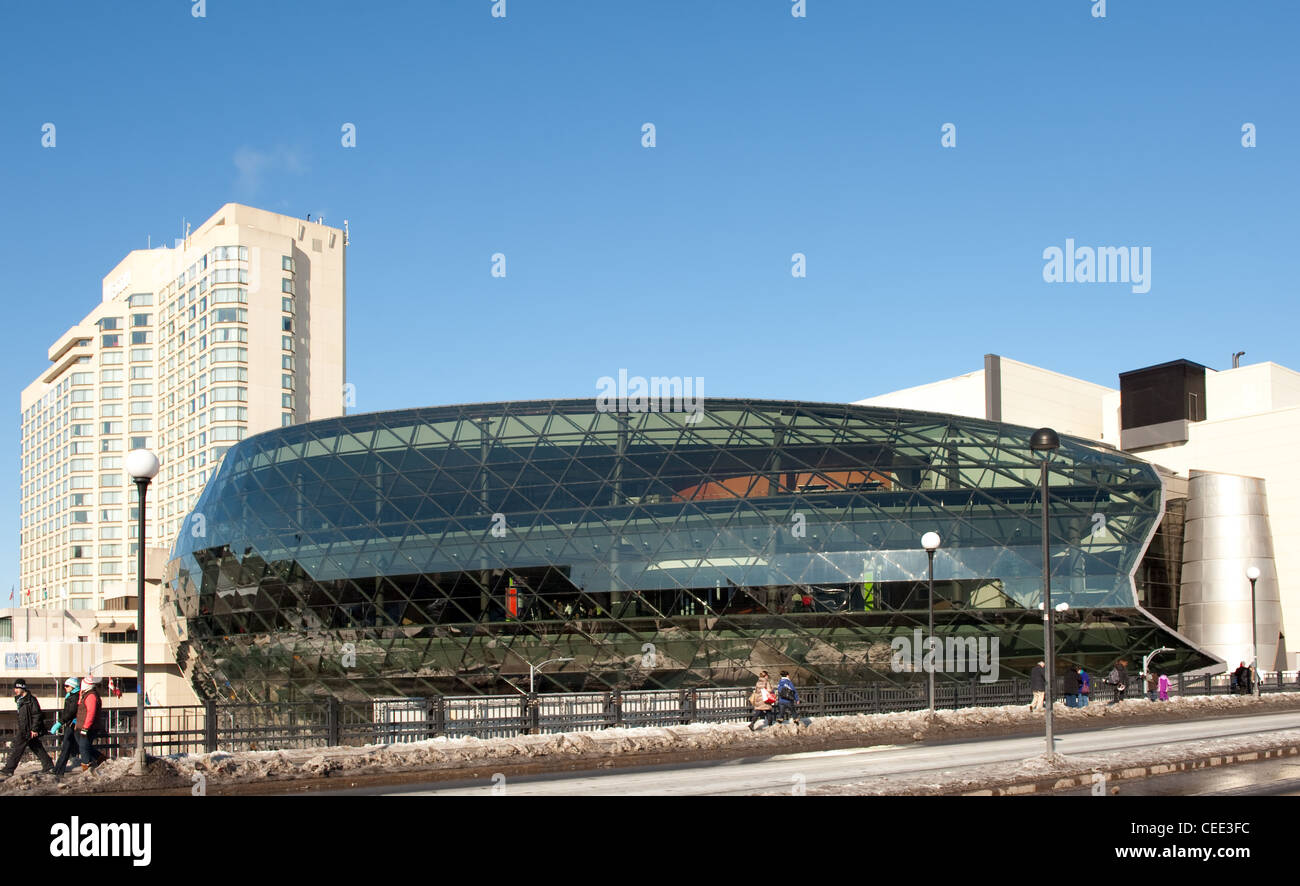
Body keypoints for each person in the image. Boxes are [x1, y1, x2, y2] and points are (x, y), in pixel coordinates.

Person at [1, 679, 54, 779]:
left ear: (22, 688)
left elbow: (37, 715)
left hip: (28, 729)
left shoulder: (31, 700)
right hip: (24, 728)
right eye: (14, 688)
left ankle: (8, 770)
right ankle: (49, 766)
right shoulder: (20, 700)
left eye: (17, 688)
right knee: (36, 747)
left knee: (18, 749)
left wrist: (34, 729)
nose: (15, 690)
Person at [50, 677, 81, 778]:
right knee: (74, 747)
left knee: (68, 747)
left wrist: (60, 722)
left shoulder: (75, 697)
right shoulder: (71, 696)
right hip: (70, 724)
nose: (65, 687)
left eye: (67, 686)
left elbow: (71, 712)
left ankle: (58, 771)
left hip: (73, 725)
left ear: (73, 686)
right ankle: (58, 770)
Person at [76, 675, 105, 773]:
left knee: (84, 746)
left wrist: (85, 727)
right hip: (82, 725)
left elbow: (91, 713)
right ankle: (100, 758)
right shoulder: (85, 694)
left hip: (89, 727)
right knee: (84, 745)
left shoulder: (91, 696)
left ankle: (87, 766)